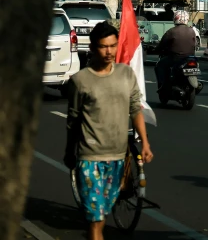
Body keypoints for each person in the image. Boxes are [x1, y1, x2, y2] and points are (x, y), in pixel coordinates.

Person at [64, 21, 153, 240]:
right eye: (104, 46)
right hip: (89, 158)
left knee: (102, 213)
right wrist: (69, 151)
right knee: (96, 220)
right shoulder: (80, 81)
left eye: (113, 46)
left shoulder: (126, 75)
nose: (109, 51)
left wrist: (145, 142)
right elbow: (73, 120)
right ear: (93, 48)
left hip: (117, 159)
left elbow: (135, 110)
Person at [155, 10, 196, 89]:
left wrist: (156, 50)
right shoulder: (192, 31)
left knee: (159, 65)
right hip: (190, 57)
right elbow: (195, 44)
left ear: (175, 19)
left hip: (176, 58)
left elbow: (162, 44)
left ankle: (162, 85)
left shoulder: (171, 31)